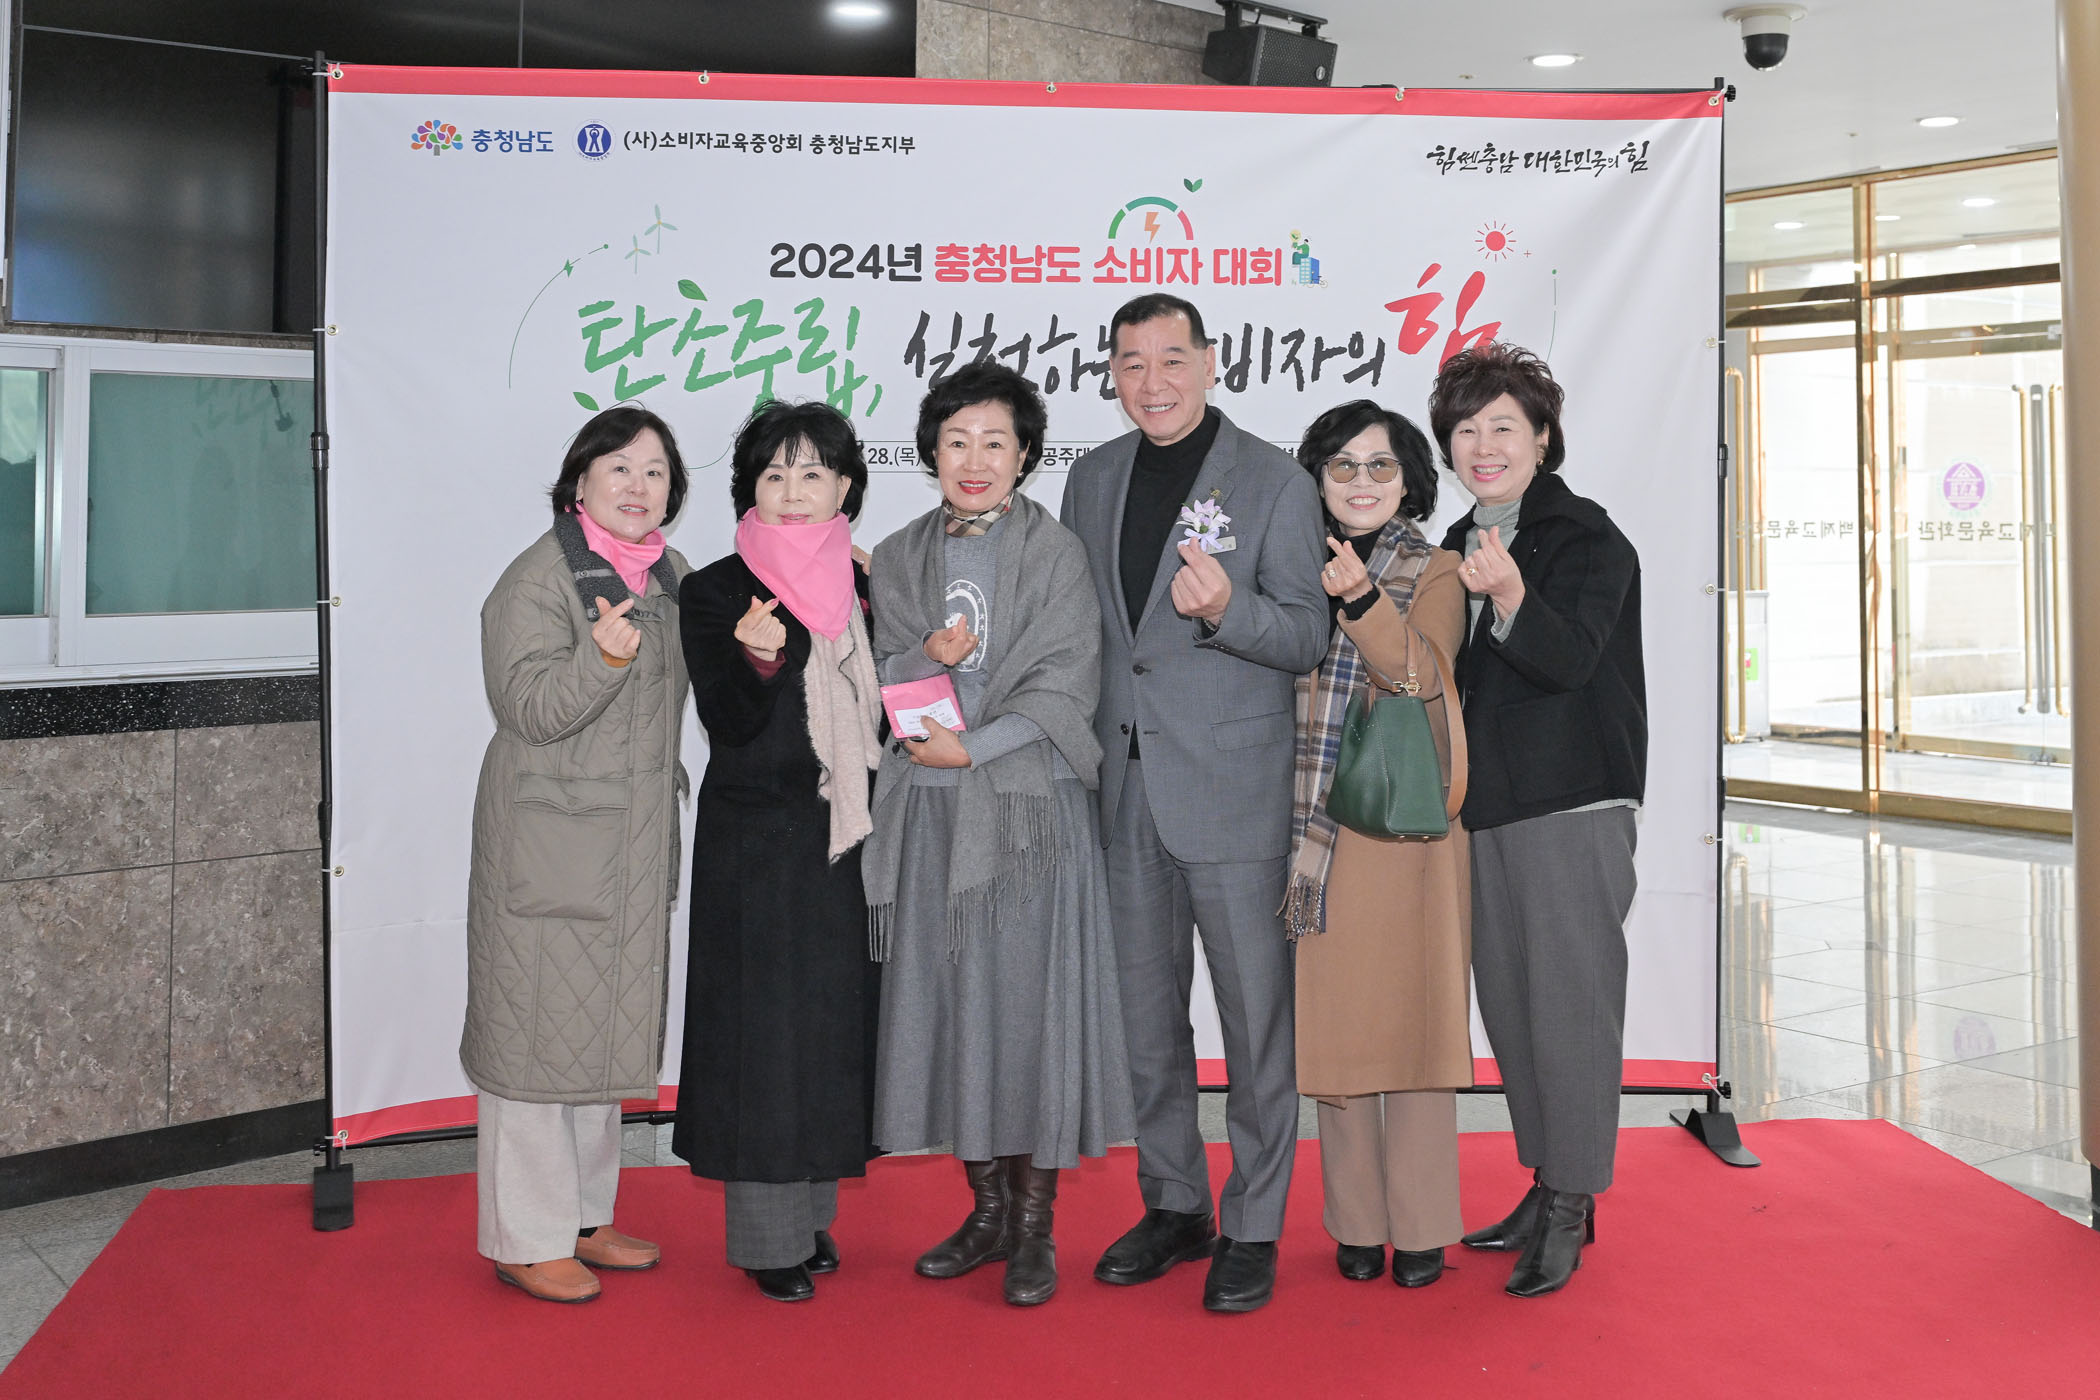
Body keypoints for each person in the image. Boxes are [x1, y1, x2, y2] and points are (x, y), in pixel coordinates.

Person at [1058, 293, 1328, 1314]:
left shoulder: (1273, 479)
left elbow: (1305, 633)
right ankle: (1176, 1202)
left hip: (1232, 793)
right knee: (1146, 1021)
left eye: (1173, 358)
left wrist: (1225, 612)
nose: (1153, 381)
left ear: (1212, 364)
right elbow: (1088, 633)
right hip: (1124, 787)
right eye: (1132, 363)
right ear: (1112, 376)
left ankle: (1254, 1222)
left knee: (1257, 1026)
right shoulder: (1092, 477)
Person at [862, 361, 1135, 1308]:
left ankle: (1033, 1227)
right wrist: (918, 661)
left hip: (1028, 814)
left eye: (994, 441)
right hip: (931, 817)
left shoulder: (1057, 554)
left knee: (1030, 1016)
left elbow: (1068, 683)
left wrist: (973, 749)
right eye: (955, 441)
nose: (973, 460)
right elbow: (881, 671)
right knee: (953, 1012)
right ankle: (983, 1213)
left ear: (1025, 455)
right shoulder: (897, 556)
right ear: (930, 452)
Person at [459, 404, 692, 1304]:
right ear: (580, 482)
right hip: (550, 845)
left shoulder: (668, 574)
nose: (638, 486)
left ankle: (585, 1219)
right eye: (619, 468)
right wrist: (599, 661)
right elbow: (524, 708)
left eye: (655, 472)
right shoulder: (538, 579)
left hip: (626, 842)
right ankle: (525, 1237)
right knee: (533, 1039)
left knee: (599, 1029)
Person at [1428, 342, 1647, 1298]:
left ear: (1543, 438)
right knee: (1513, 1007)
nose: (1484, 446)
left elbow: (1570, 659)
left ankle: (1574, 1199)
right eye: (1466, 429)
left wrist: (1511, 593)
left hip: (1573, 802)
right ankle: (1546, 1179)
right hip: (1485, 807)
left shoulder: (1585, 538)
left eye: (1504, 427)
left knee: (1571, 1006)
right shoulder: (1452, 544)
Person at [672, 400, 884, 1304]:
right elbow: (725, 722)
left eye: (812, 473)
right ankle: (767, 1242)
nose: (793, 493)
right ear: (748, 489)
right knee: (761, 1043)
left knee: (830, 1033)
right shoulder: (716, 591)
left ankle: (811, 1218)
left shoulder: (868, 586)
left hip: (845, 842)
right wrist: (757, 663)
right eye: (773, 474)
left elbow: (887, 716)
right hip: (755, 848)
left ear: (845, 487)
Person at [1286, 400, 1472, 1291]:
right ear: (1317, 480)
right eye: (1343, 466)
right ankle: (1357, 1222)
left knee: (1416, 1031)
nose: (1361, 482)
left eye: (1381, 465)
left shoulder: (1438, 569)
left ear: (1409, 481)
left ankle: (1424, 1223)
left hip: (1405, 826)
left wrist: (1359, 598)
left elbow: (1417, 674)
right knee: (1342, 1033)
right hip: (1317, 831)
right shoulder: (1288, 568)